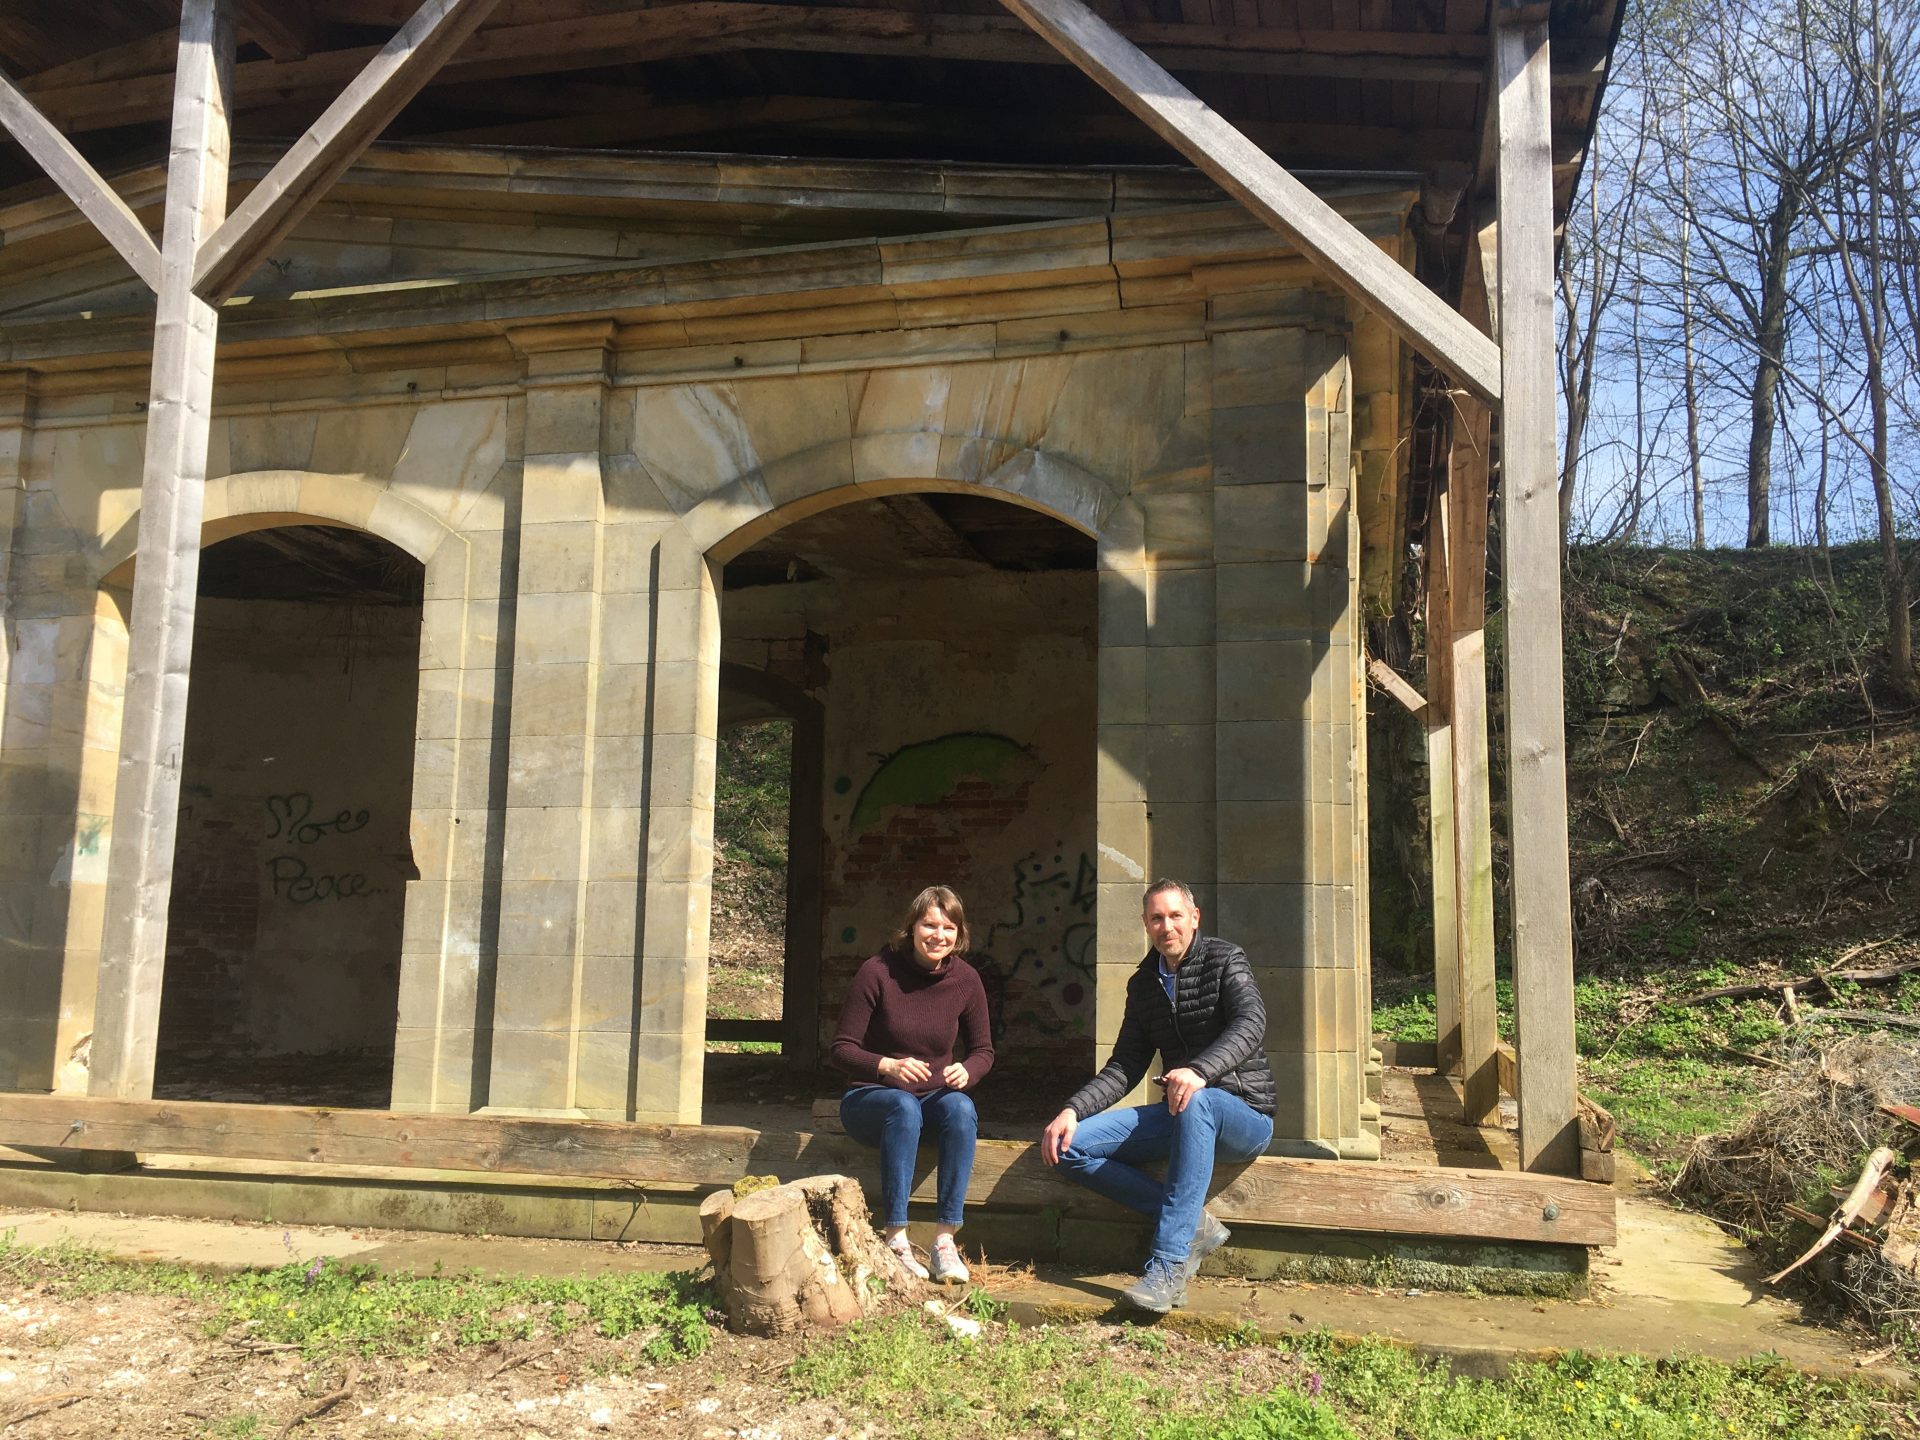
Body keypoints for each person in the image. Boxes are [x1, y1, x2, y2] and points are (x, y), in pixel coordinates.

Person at [1040, 878, 1275, 1312]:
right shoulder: (1144, 983)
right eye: (1156, 918)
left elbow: (1250, 1023)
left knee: (1198, 1099)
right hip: (1180, 1113)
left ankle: (1167, 1267)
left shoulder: (1226, 960)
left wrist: (1200, 1071)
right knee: (1071, 1147)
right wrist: (1073, 1109)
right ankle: (1194, 1226)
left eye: (1175, 916)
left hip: (1244, 1114)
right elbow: (1126, 1063)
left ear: (1194, 918)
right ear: (1146, 925)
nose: (1167, 926)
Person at [829, 884, 994, 1284]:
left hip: (932, 1100)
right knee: (902, 1106)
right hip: (871, 1098)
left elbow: (984, 1050)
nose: (939, 935)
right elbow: (840, 1049)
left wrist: (968, 1070)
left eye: (948, 927)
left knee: (961, 1107)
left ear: (959, 933)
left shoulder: (967, 980)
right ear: (912, 927)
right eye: (929, 925)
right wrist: (886, 1065)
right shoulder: (878, 971)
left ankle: (944, 1242)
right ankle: (896, 1239)